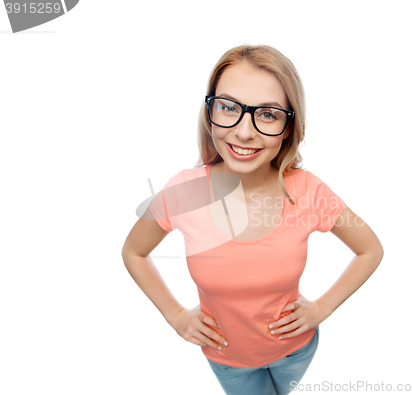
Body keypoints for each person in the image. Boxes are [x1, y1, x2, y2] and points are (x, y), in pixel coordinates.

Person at [121, 44, 384, 395]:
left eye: (268, 114)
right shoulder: (184, 192)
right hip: (227, 359)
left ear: (290, 127)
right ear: (209, 111)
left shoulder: (309, 192)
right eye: (229, 107)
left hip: (296, 350)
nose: (244, 132)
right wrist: (175, 316)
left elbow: (370, 250)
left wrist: (321, 308)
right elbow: (133, 252)